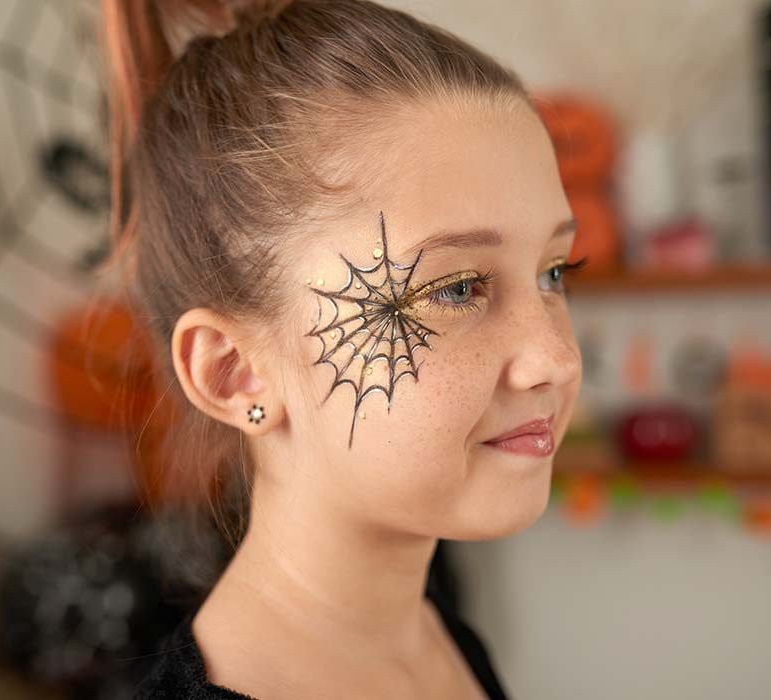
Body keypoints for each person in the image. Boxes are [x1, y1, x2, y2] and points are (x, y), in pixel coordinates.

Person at [97, 1, 585, 697]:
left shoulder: (438, 634)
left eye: (553, 273)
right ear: (236, 373)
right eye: (457, 288)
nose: (557, 358)